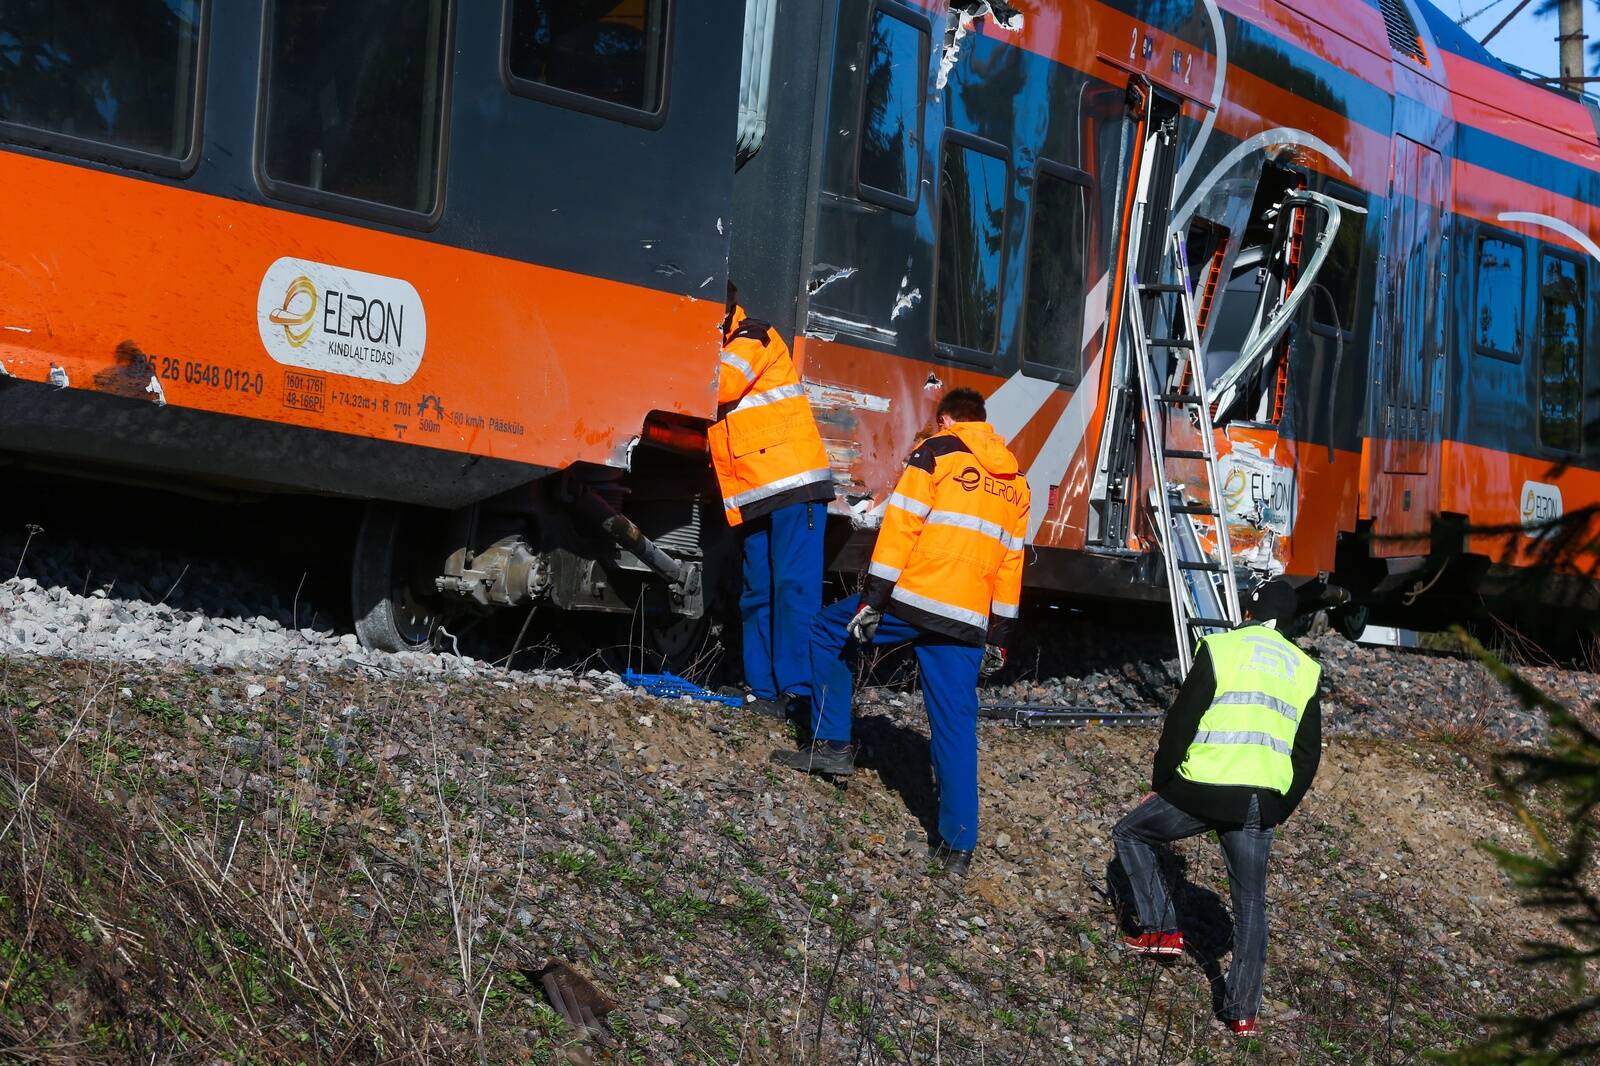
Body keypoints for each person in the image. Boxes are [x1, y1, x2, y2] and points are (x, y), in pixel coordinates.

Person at [770, 387, 1029, 880]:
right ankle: (956, 850)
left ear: (947, 419)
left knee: (827, 631)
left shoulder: (935, 453)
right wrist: (1000, 633)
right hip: (968, 617)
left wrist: (872, 599)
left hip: (913, 600)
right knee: (955, 726)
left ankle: (831, 747)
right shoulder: (1016, 481)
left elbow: (901, 529)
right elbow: (1011, 560)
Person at [1111, 578, 1322, 1040]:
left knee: (1132, 833)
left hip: (1201, 789)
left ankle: (1159, 930)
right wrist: (1279, 806)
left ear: (1249, 612)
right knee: (1250, 905)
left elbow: (1181, 721)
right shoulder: (1306, 669)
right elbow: (1307, 755)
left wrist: (1161, 784)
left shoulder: (1222, 648)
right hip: (1259, 801)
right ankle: (1242, 1012)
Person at [709, 283, 835, 719]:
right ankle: (764, 691)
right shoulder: (732, 342)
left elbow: (723, 384)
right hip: (758, 491)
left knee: (793, 590)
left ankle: (798, 695)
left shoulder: (753, 335)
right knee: (758, 592)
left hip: (793, 484)